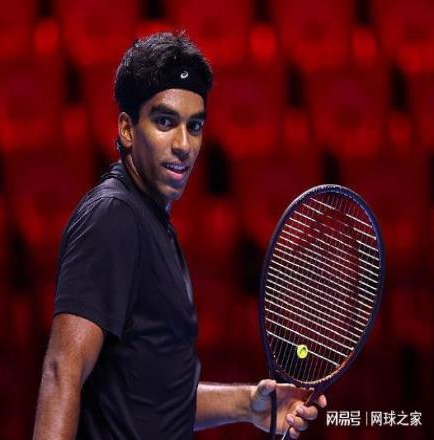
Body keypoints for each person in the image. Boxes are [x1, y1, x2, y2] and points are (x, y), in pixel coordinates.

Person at [33, 32, 326, 440]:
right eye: (165, 122)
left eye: (195, 126)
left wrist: (249, 405)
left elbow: (155, 401)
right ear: (127, 129)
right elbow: (61, 371)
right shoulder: (113, 218)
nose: (184, 144)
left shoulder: (152, 225)